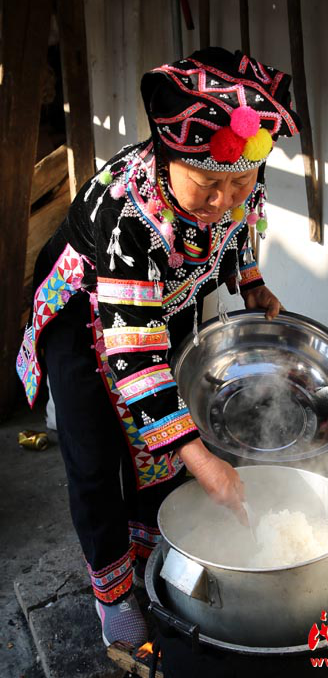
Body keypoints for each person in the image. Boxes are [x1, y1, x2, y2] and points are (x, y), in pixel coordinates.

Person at [16, 47, 301, 648]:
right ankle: (112, 594)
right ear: (169, 159)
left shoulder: (238, 166)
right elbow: (136, 363)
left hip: (162, 303)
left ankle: (152, 553)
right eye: (208, 186)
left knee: (161, 451)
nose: (224, 199)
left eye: (240, 181)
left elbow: (241, 223)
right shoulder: (129, 214)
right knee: (95, 457)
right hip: (87, 311)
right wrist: (207, 462)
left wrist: (250, 280)